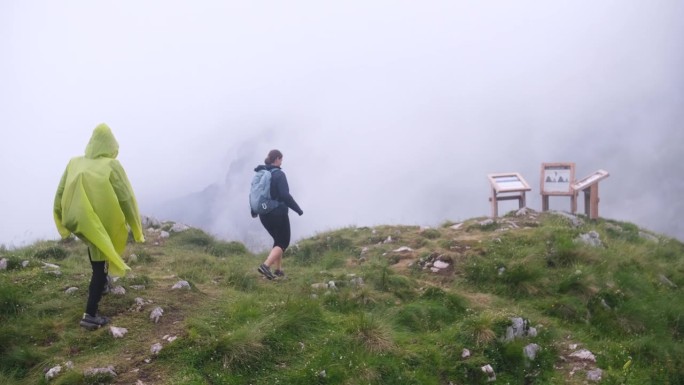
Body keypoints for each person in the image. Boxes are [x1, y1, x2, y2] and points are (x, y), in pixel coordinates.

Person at [53, 123, 145, 330]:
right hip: (98, 222)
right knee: (100, 266)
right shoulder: (112, 165)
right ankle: (90, 314)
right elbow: (126, 198)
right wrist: (137, 230)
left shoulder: (74, 162)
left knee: (94, 247)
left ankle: (102, 285)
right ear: (111, 145)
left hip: (77, 219)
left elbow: (60, 192)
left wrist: (60, 221)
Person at [252, 149, 303, 280]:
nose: (281, 162)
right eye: (281, 159)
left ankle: (278, 270)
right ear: (277, 159)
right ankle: (266, 266)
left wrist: (254, 210)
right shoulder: (279, 175)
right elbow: (285, 195)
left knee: (278, 240)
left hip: (264, 214)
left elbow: (254, 193)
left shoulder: (262, 173)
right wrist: (297, 209)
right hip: (278, 213)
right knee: (283, 242)